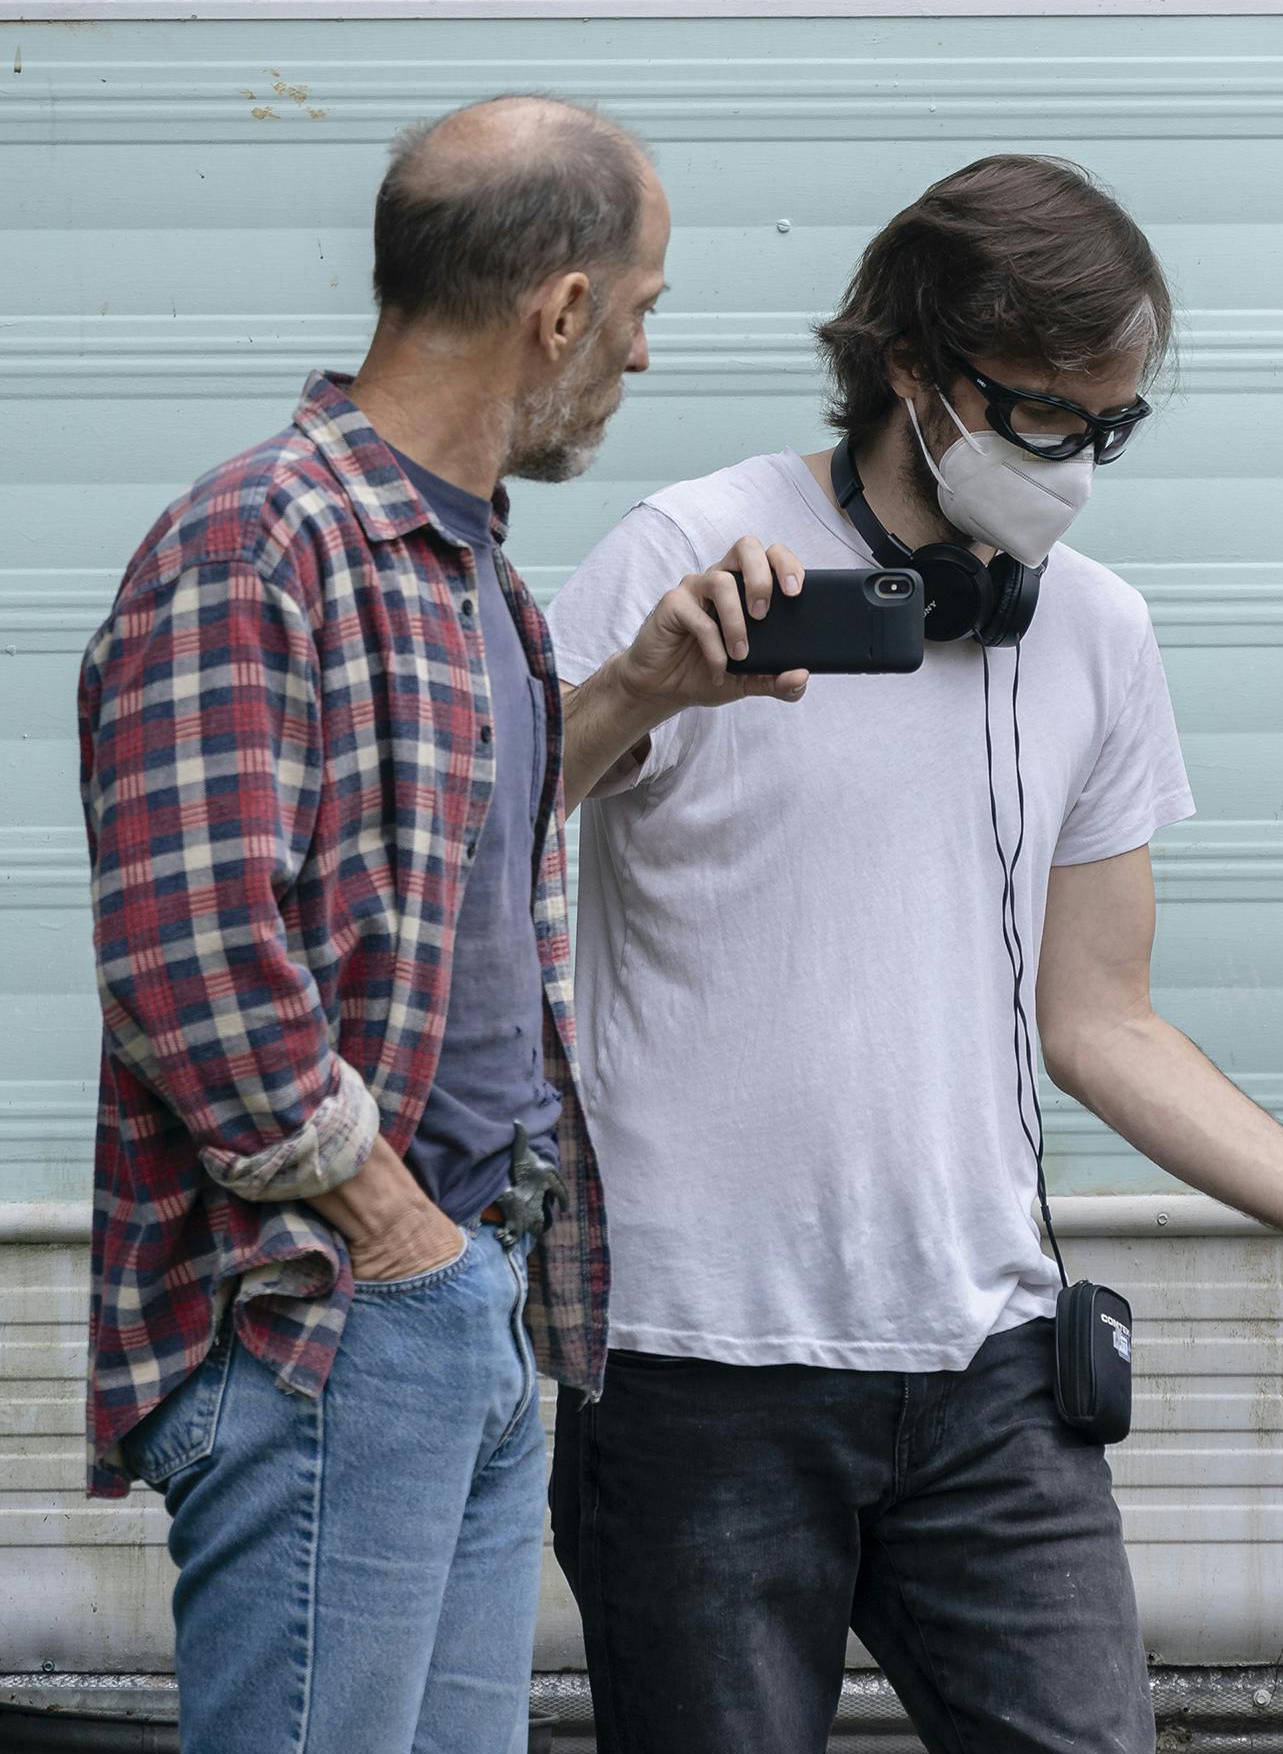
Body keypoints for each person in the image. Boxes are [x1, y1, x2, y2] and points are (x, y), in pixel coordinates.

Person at [543, 152, 1283, 1754]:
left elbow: (1102, 1018)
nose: (1071, 464)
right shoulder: (691, 560)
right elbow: (472, 826)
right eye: (1040, 415)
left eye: (1105, 425)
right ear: (911, 367)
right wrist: (639, 687)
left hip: (989, 1369)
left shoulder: (1096, 630)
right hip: (699, 1369)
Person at [76, 96, 812, 1754]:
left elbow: (436, 859)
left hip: (462, 1300)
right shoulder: (260, 541)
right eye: (640, 315)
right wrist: (397, 1238)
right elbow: (192, 956)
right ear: (559, 310)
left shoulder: (457, 566)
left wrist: (640, 691)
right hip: (332, 1318)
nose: (639, 359)